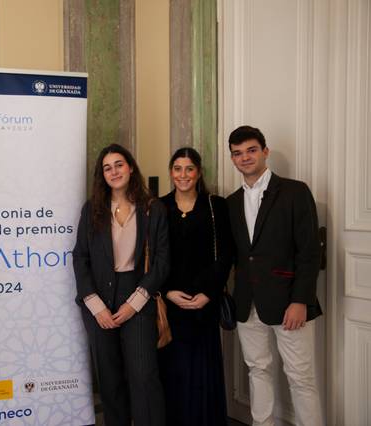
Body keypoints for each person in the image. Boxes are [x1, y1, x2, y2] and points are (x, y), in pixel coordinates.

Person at [226, 125, 323, 426]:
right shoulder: (230, 203)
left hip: (289, 304)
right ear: (232, 159)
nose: (245, 157)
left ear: (265, 152)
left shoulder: (295, 191)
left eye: (251, 150)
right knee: (258, 370)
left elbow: (309, 253)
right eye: (238, 153)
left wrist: (300, 301)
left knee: (300, 377)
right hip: (247, 303)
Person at [73, 143, 169, 426]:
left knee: (143, 376)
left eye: (119, 164)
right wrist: (95, 305)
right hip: (99, 299)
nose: (114, 171)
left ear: (130, 167)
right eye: (107, 168)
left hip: (138, 295)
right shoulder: (92, 209)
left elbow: (163, 262)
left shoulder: (153, 208)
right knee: (110, 381)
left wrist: (134, 304)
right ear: (102, 175)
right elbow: (80, 258)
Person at [157, 147, 233, 425]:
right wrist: (167, 291)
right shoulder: (159, 206)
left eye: (189, 169)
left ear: (198, 172)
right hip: (171, 304)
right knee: (173, 371)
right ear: (171, 172)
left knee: (204, 372)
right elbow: (153, 256)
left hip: (204, 304)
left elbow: (226, 255)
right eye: (177, 168)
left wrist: (208, 294)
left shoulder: (216, 205)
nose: (183, 175)